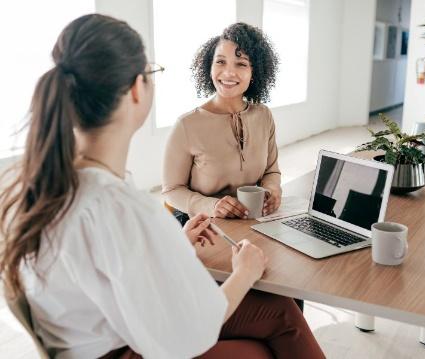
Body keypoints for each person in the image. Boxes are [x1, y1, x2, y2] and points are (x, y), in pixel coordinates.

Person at [0, 14, 324, 358]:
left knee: (279, 314)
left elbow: (110, 270)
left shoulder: (33, 187)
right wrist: (245, 273)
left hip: (101, 339)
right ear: (138, 88)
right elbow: (190, 333)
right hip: (131, 348)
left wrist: (176, 247)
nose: (229, 72)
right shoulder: (123, 206)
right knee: (276, 326)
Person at [162, 22, 282, 226]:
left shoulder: (263, 116)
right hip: (203, 227)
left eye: (241, 64)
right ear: (209, 67)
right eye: (220, 62)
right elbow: (171, 191)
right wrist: (211, 206)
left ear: (255, 72)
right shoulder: (187, 125)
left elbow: (271, 171)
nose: (228, 73)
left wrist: (273, 189)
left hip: (251, 222)